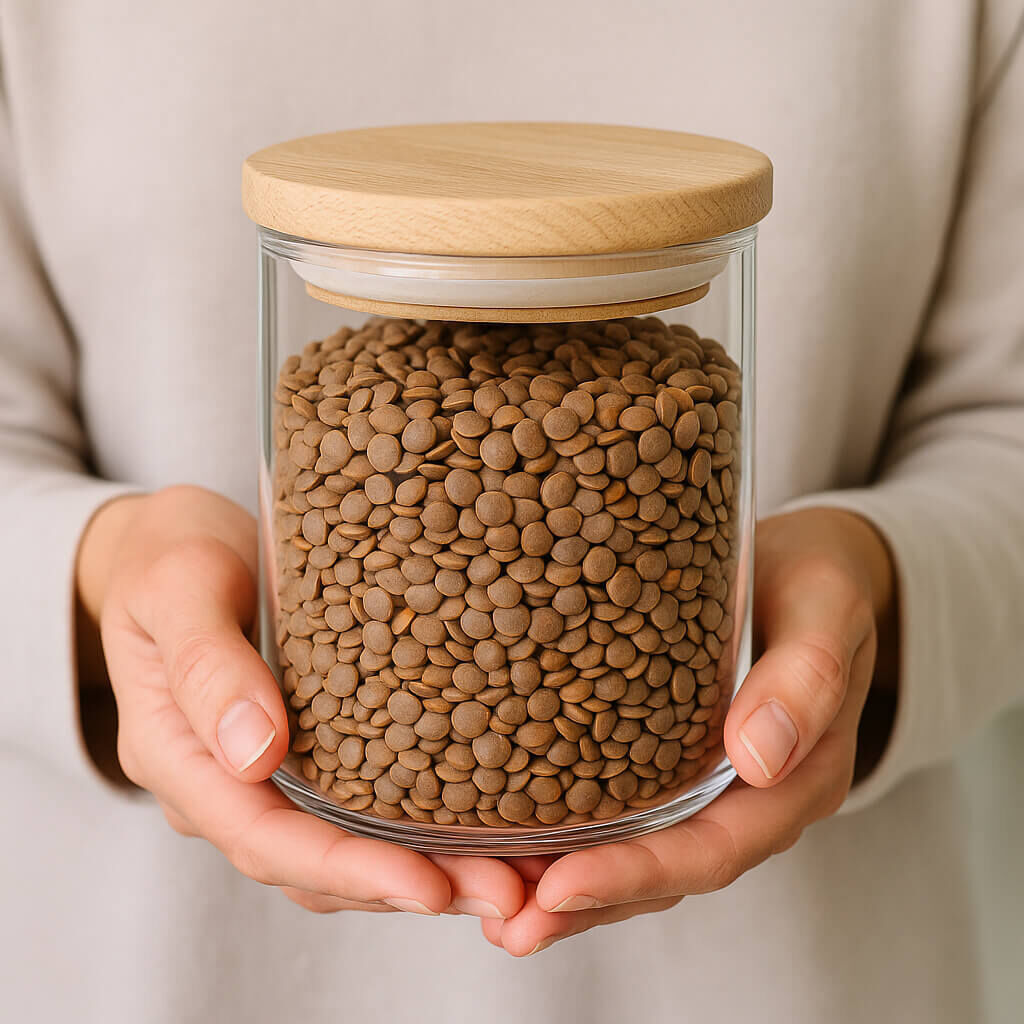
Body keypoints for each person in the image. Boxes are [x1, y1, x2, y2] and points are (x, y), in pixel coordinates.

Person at [2, 3, 1022, 1022]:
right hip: (150, 967)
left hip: (801, 972)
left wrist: (872, 580)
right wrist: (102, 572)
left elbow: (1002, 419)